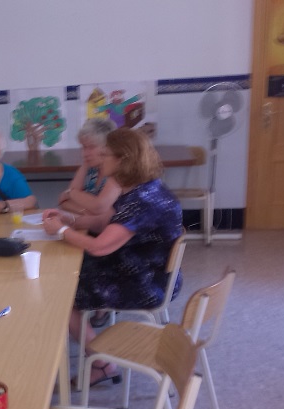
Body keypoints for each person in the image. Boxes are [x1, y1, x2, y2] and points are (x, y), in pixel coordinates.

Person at [42, 128, 183, 387]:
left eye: (106, 154)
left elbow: (99, 247)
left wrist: (61, 231)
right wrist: (69, 219)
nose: (100, 158)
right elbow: (104, 221)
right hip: (145, 269)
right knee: (63, 276)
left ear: (122, 160)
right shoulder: (144, 188)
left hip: (146, 283)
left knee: (61, 294)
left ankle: (102, 364)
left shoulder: (142, 201)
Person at [58, 118, 120, 222]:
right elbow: (64, 202)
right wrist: (86, 212)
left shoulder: (118, 171)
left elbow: (99, 207)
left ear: (107, 147)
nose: (85, 154)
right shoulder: (88, 166)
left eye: (91, 147)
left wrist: (71, 193)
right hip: (89, 226)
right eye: (83, 147)